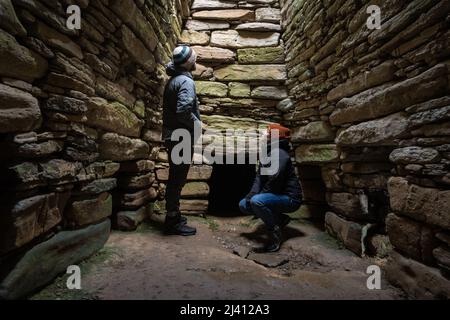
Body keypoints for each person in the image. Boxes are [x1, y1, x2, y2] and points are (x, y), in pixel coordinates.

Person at [239, 124, 303, 252]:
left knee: (257, 201)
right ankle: (280, 218)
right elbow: (259, 179)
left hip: (289, 199)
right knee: (243, 205)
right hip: (274, 195)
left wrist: (256, 199)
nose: (264, 135)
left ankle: (274, 232)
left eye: (267, 134)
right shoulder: (267, 153)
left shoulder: (279, 154)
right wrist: (250, 196)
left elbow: (275, 182)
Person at [162, 45, 202, 236]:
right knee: (177, 179)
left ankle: (174, 215)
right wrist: (198, 125)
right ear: (188, 63)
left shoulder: (175, 79)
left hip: (176, 136)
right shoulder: (185, 82)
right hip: (181, 136)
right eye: (194, 58)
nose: (196, 60)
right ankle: (172, 221)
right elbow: (184, 111)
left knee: (176, 178)